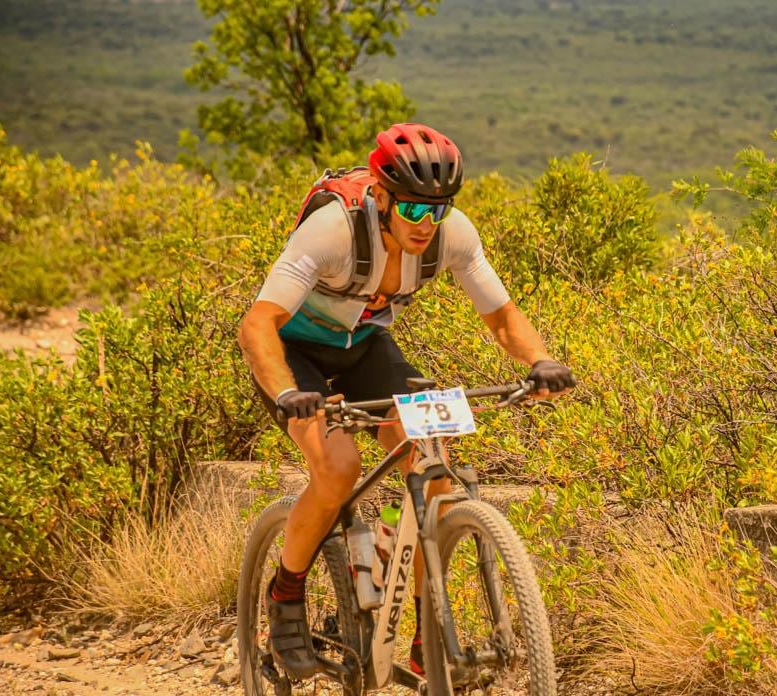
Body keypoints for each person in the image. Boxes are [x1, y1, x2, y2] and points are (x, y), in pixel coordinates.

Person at [237, 123, 575, 679]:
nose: (427, 224)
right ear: (382, 194)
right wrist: (286, 393)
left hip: (366, 348)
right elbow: (258, 325)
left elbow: (502, 316)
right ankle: (285, 594)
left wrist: (539, 361)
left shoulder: (453, 234)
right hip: (294, 356)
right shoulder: (332, 231)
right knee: (339, 466)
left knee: (433, 465)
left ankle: (425, 633)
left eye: (437, 211)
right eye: (414, 211)